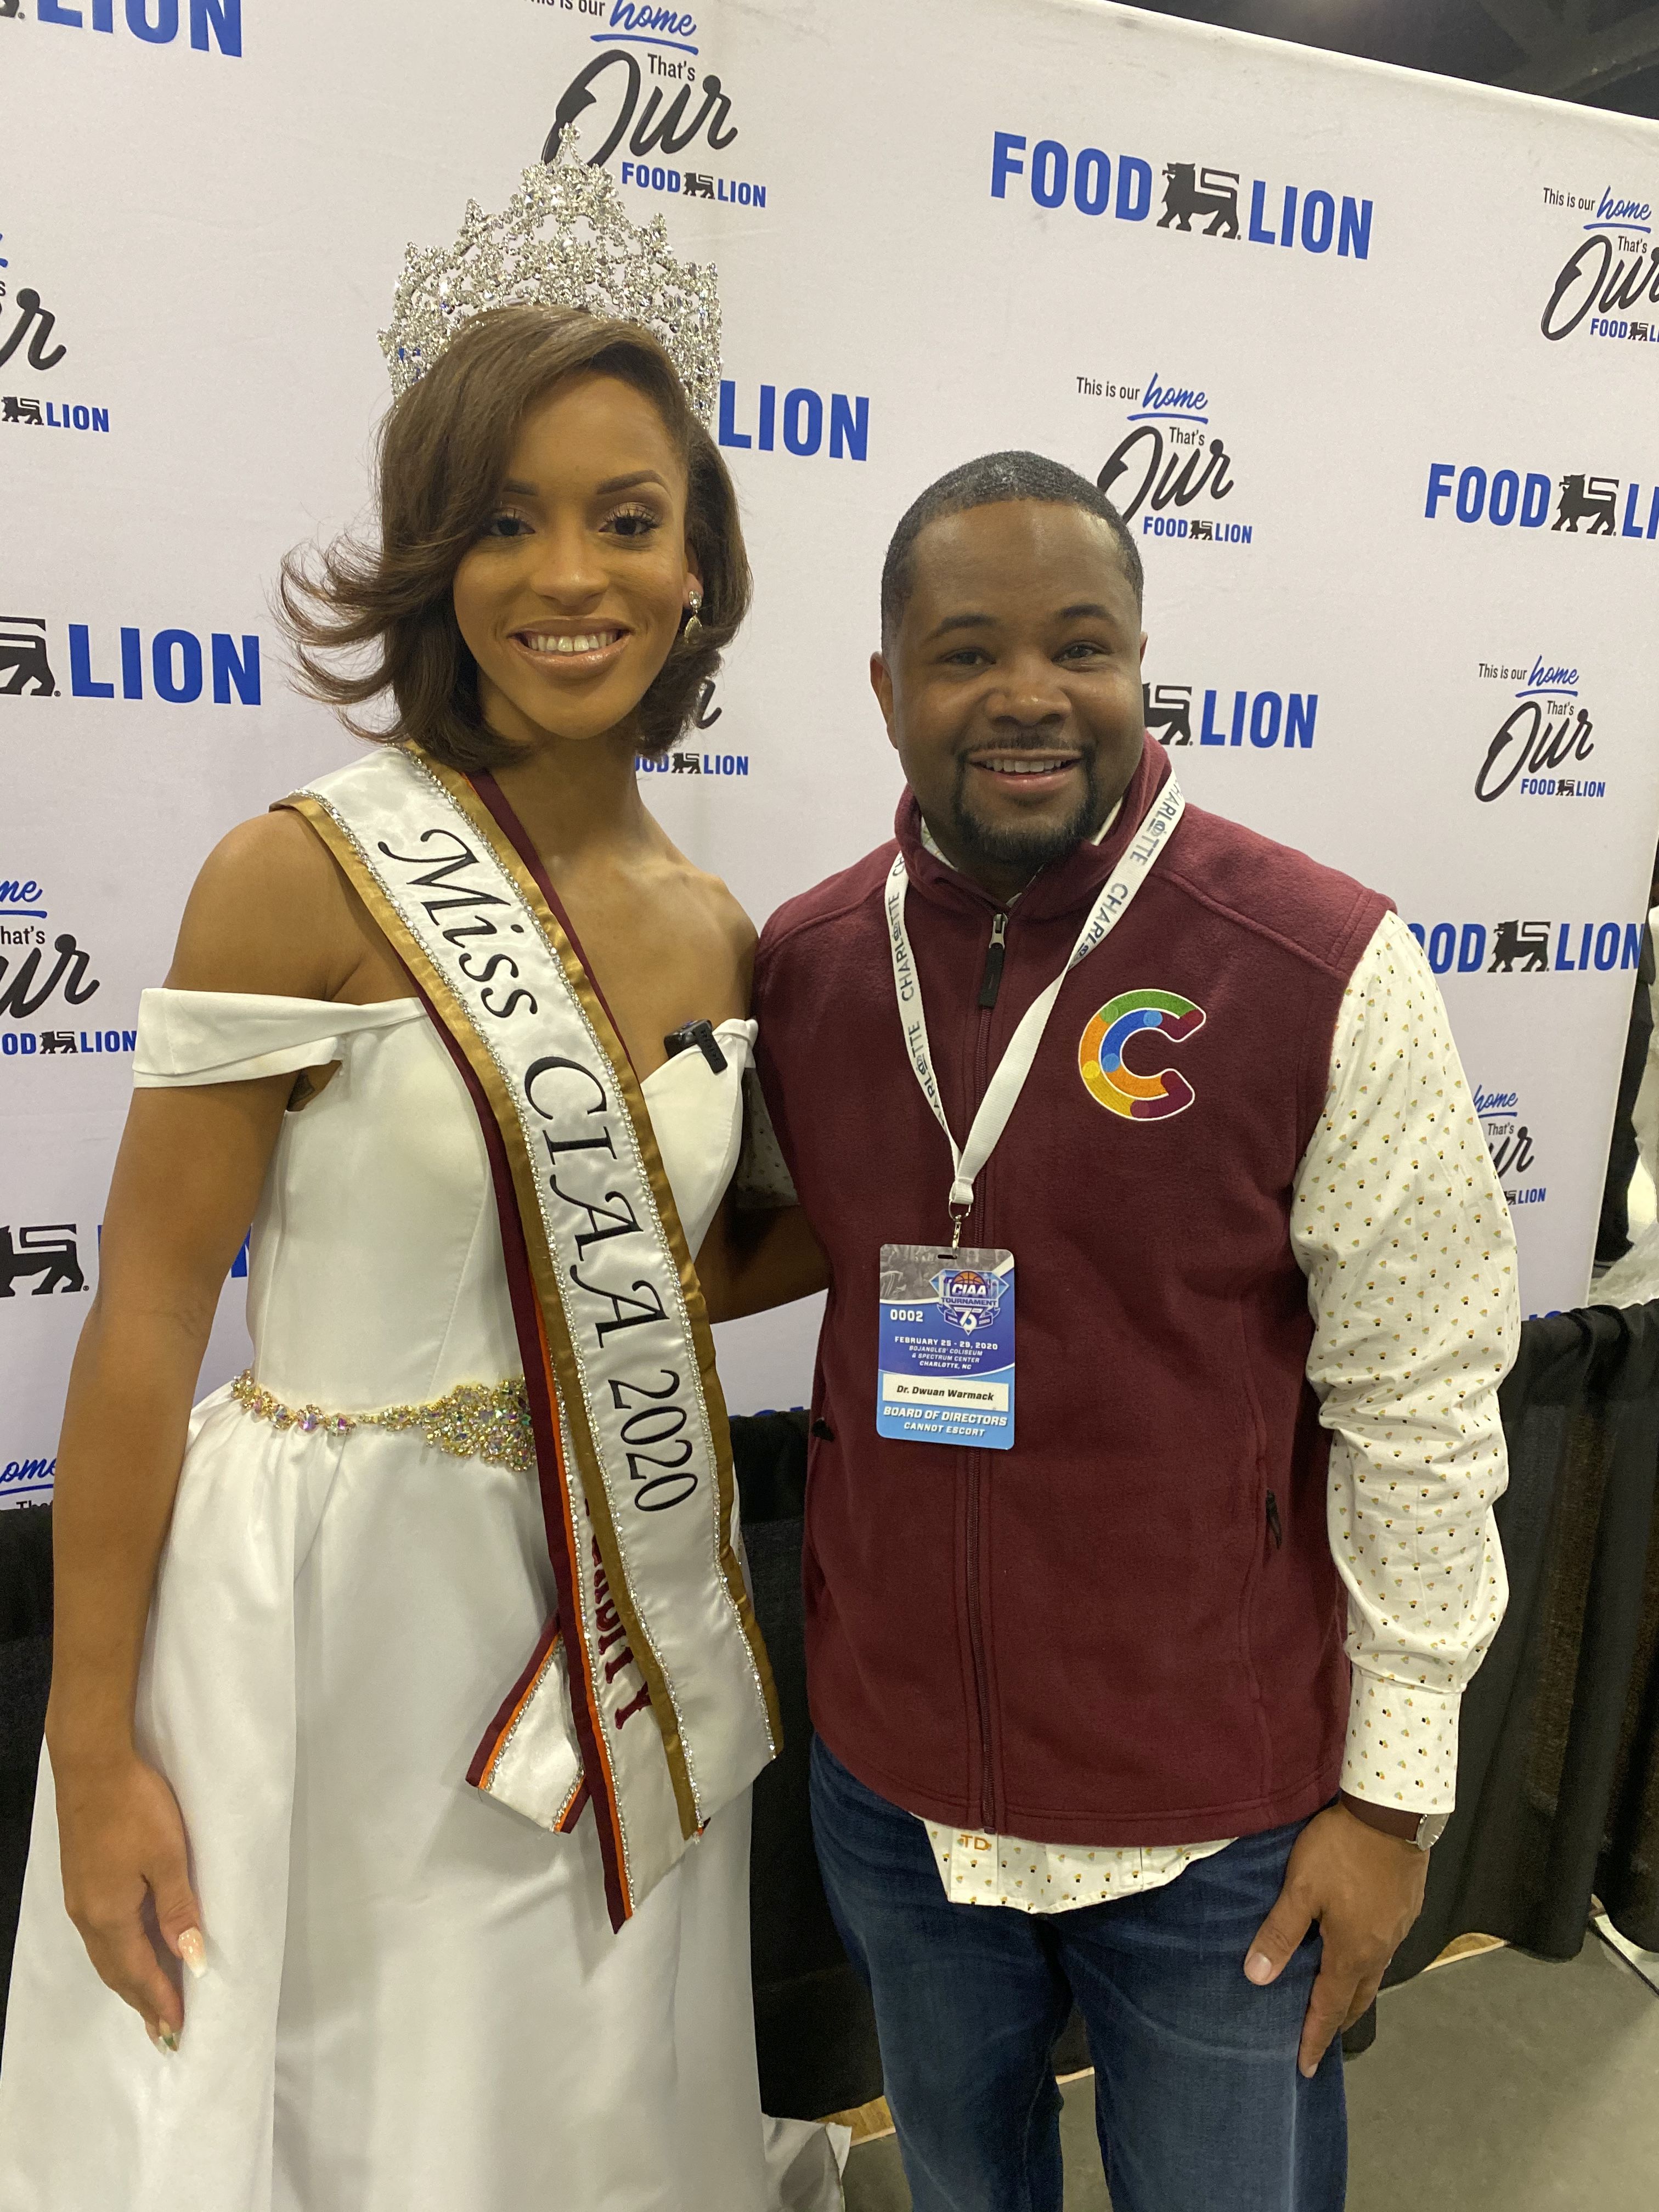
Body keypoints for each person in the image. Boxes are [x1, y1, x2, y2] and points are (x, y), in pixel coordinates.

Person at [0, 296, 786, 2210]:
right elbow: (147, 1316)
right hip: (329, 1618)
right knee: (340, 2101)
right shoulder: (301, 874)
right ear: (436, 560)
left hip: (610, 1608)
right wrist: (88, 1750)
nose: (570, 577)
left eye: (627, 520)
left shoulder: (720, 927)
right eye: (506, 521)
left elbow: (665, 1282)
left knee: (582, 2095)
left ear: (698, 564)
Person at [711, 452, 1519, 2211]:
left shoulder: (1317, 963)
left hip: (1218, 1817)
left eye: (1080, 646)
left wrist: (1391, 1808)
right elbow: (735, 1238)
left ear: (1145, 665)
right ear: (885, 688)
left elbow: (1426, 1406)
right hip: (899, 1793)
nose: (1029, 694)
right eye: (967, 652)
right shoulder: (812, 967)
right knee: (961, 2183)